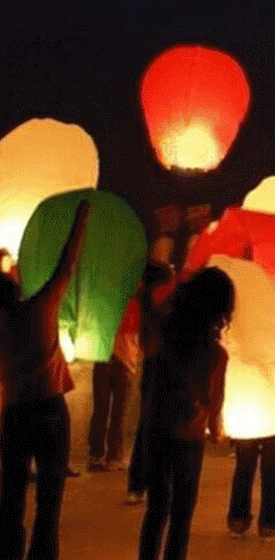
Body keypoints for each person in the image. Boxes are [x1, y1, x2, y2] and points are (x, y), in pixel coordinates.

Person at [0, 199, 90, 560]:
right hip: (50, 411)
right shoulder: (41, 309)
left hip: (14, 413)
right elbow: (66, 264)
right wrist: (80, 220)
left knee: (10, 495)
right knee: (49, 499)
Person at [137, 267, 233, 560]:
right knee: (181, 515)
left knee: (156, 510)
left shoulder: (166, 336)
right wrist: (216, 425)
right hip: (190, 435)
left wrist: (180, 290)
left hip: (157, 427)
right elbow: (214, 400)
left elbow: (151, 323)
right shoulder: (216, 354)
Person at [226, 289, 275, 541]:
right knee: (272, 468)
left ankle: (237, 520)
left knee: (244, 466)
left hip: (247, 401)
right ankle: (269, 523)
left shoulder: (248, 331)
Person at [126, 262, 175, 504]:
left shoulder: (146, 304)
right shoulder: (159, 309)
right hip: (162, 369)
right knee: (158, 428)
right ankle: (149, 484)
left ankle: (137, 485)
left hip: (151, 368)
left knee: (146, 426)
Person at [87, 290, 141, 472]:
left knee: (101, 409)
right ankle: (113, 456)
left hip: (103, 356)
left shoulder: (105, 298)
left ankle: (96, 455)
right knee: (118, 412)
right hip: (124, 360)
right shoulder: (136, 302)